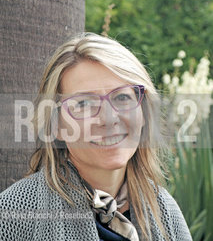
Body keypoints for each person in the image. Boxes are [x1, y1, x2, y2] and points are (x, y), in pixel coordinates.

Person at [0, 32, 192, 241]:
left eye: (122, 97)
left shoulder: (166, 211)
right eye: (84, 104)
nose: (108, 119)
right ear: (56, 125)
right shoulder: (13, 215)